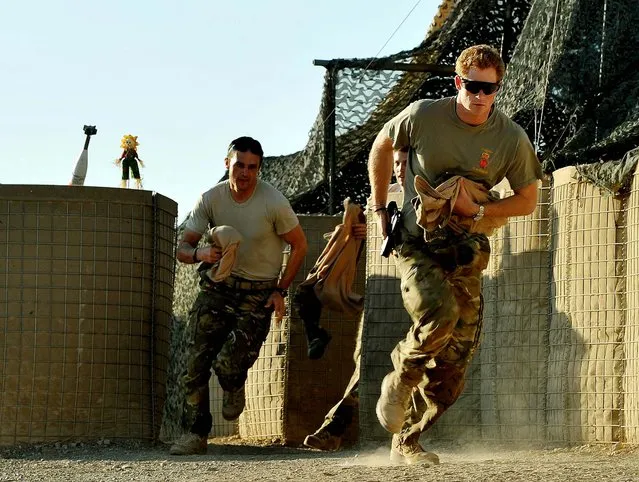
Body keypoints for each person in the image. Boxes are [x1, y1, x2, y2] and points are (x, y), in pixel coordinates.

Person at [368, 44, 543, 465]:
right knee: (437, 315)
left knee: (455, 362)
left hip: (466, 250)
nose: (480, 96)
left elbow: (527, 200)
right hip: (416, 244)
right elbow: (381, 145)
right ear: (457, 82)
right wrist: (379, 210)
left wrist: (480, 209)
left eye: (490, 88)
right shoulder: (424, 115)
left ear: (498, 89)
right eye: (473, 86)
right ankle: (400, 378)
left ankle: (408, 439)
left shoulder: (509, 138)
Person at [169, 136, 308, 456]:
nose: (245, 173)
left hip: (257, 294)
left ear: (258, 169)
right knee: (195, 363)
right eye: (239, 165)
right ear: (226, 164)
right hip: (218, 288)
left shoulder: (273, 202)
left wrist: (280, 291)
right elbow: (183, 247)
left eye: (252, 168)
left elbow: (299, 245)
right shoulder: (210, 199)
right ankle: (195, 433)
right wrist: (200, 252)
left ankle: (233, 384)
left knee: (229, 363)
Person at [303, 148, 408, 451]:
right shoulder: (383, 198)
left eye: (405, 163)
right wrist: (363, 235)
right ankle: (333, 429)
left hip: (419, 302)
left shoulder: (428, 194)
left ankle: (404, 437)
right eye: (396, 163)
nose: (400, 169)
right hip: (383, 300)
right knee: (366, 365)